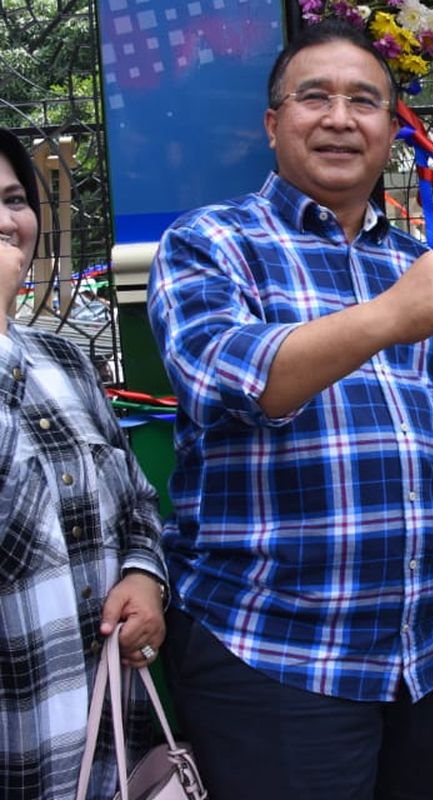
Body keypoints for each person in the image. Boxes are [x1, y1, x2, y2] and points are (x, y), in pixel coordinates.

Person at [146, 19, 433, 800]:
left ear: (391, 130)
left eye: (365, 101)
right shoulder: (210, 243)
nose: (341, 118)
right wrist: (391, 316)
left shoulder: (416, 264)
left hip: (420, 655)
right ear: (274, 124)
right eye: (315, 98)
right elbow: (230, 380)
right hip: (274, 653)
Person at [0, 128, 168, 799]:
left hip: (111, 753)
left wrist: (144, 577)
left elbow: (136, 503)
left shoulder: (64, 360)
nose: (4, 220)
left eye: (14, 198)